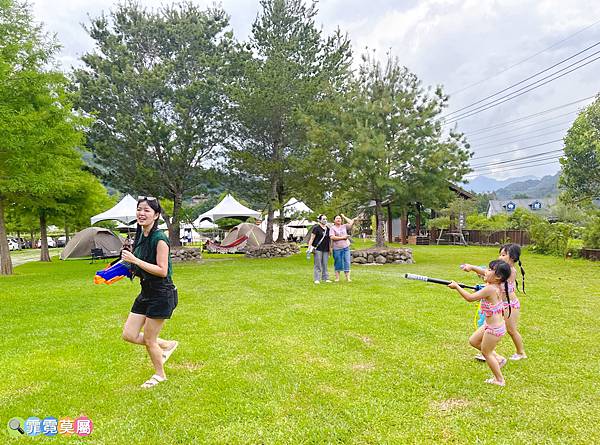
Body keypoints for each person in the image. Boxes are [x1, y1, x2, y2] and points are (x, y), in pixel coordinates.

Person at [121, 196, 179, 388]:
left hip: (162, 293)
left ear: (156, 215)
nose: (141, 213)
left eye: (146, 210)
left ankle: (160, 374)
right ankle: (167, 345)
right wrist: (119, 269)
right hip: (146, 292)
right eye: (139, 209)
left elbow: (162, 271)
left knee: (148, 339)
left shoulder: (159, 238)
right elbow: (139, 268)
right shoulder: (140, 236)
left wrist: (135, 261)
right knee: (129, 334)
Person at [448, 260, 512, 387]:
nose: (485, 272)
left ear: (498, 277)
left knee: (486, 353)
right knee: (473, 341)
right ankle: (499, 359)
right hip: (491, 325)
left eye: (489, 270)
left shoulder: (489, 289)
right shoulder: (498, 285)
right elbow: (485, 277)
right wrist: (471, 268)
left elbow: (470, 298)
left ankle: (499, 380)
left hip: (494, 328)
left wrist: (457, 287)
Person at [462, 243, 527, 361]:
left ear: (513, 258)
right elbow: (492, 280)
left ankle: (520, 352)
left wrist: (472, 267)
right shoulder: (502, 271)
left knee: (511, 330)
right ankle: (488, 352)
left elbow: (488, 275)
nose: (500, 258)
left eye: (503, 255)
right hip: (499, 306)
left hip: (510, 306)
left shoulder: (510, 271)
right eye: (500, 255)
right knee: (490, 327)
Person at [329, 214, 355, 282]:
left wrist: (344, 217)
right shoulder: (332, 228)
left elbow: (351, 222)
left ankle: (348, 278)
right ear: (334, 220)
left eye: (340, 218)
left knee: (347, 262)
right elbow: (332, 237)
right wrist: (343, 237)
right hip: (337, 248)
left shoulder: (344, 226)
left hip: (346, 248)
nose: (338, 219)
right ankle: (337, 278)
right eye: (337, 218)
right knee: (338, 262)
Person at [307, 214, 331, 284]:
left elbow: (329, 240)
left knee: (325, 264)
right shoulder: (316, 228)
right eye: (323, 219)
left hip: (326, 249)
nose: (325, 220)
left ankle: (325, 278)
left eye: (326, 219)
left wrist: (330, 249)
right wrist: (309, 248)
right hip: (318, 249)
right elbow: (311, 238)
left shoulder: (328, 229)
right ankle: (317, 278)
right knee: (318, 264)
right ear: (320, 220)